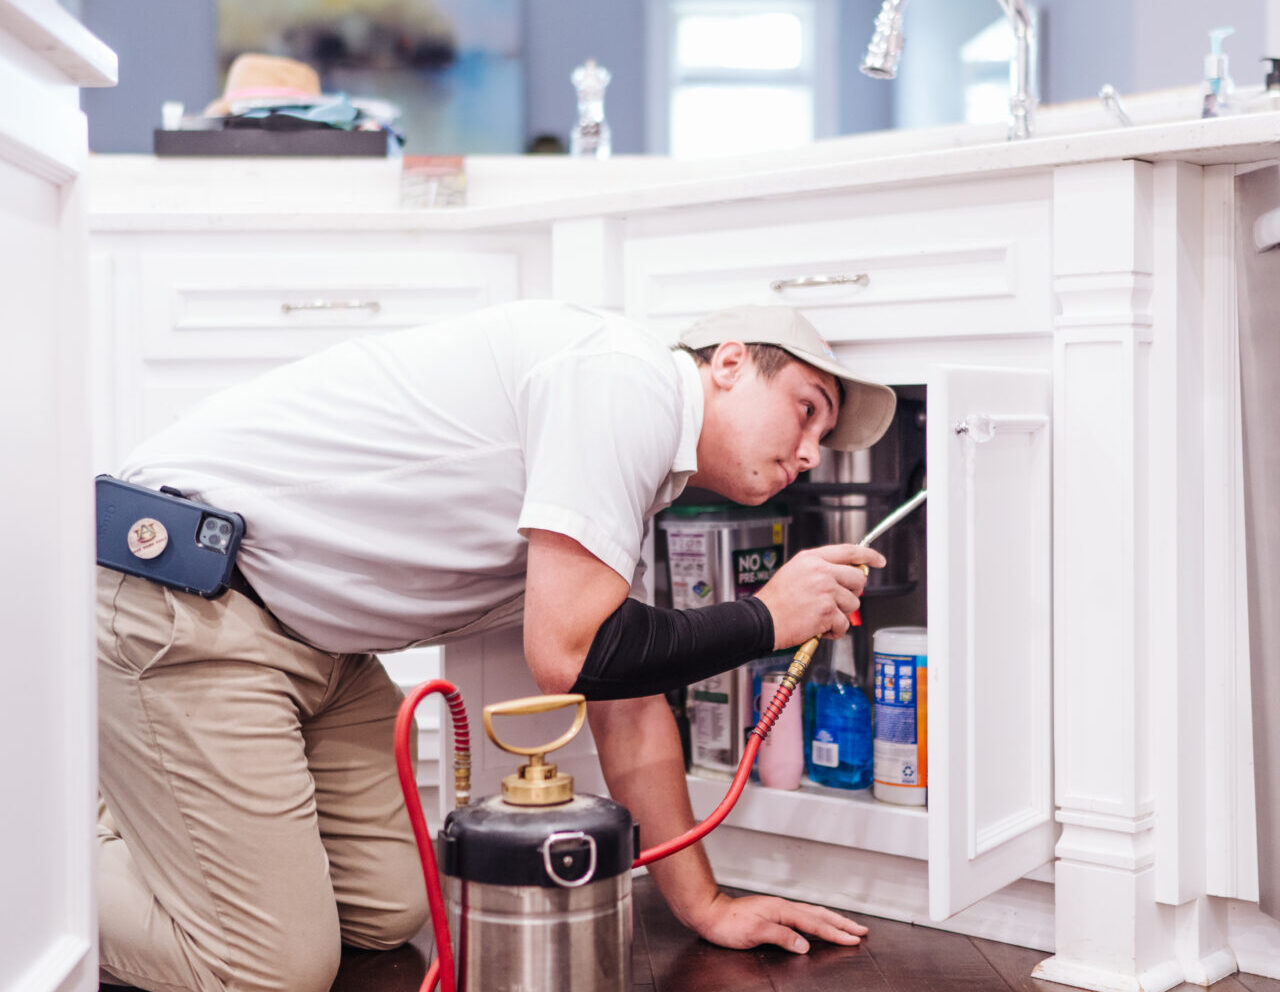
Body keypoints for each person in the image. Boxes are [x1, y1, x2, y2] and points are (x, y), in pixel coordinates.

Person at [96, 299, 896, 992]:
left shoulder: (630, 472)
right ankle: (43, 860)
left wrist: (705, 907)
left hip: (316, 651)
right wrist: (767, 616)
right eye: (806, 407)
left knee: (391, 907)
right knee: (270, 970)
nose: (810, 452)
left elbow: (628, 702)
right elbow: (573, 655)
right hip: (188, 603)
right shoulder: (627, 377)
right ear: (727, 364)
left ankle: (150, 803)